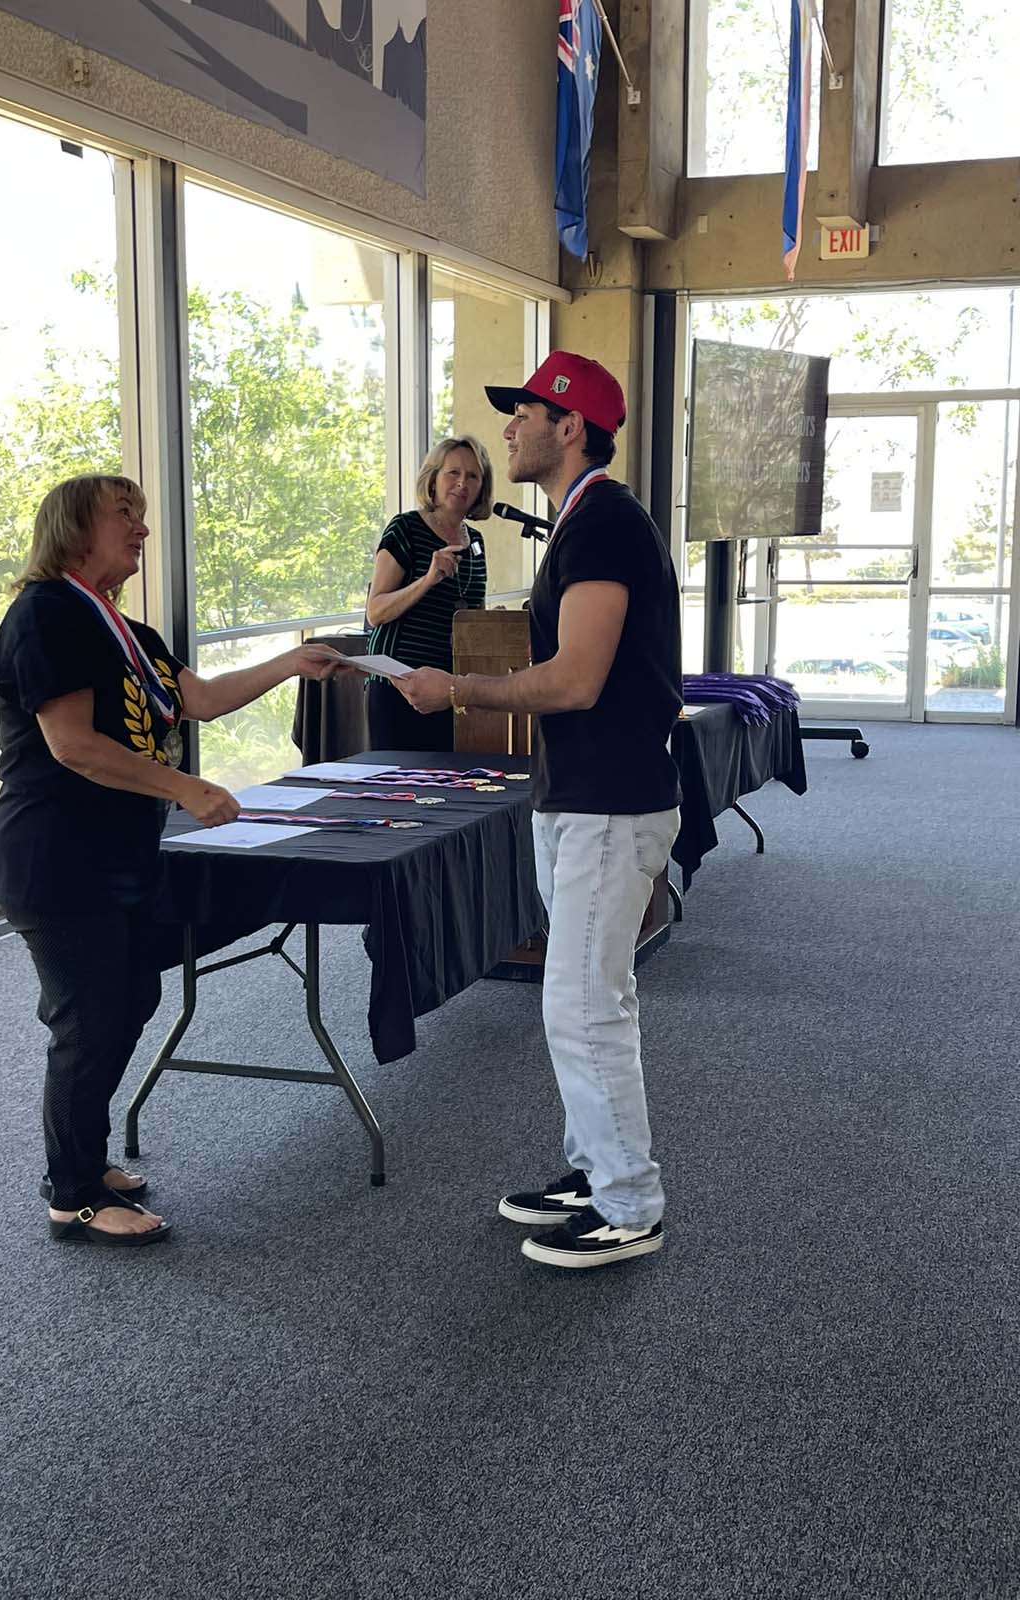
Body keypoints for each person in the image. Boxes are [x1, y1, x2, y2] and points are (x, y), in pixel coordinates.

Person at [0, 473, 345, 1247]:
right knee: (94, 1017)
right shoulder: (48, 614)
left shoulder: (128, 633)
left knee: (128, 999)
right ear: (74, 529)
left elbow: (201, 699)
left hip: (114, 852)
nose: (142, 530)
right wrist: (183, 786)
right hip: (53, 856)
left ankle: (80, 1158)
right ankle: (74, 1193)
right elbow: (72, 744)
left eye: (143, 517)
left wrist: (289, 663)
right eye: (125, 516)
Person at [394, 352, 682, 1270]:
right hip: (581, 796)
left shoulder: (603, 525)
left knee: (582, 1007)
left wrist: (460, 691)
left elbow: (577, 678)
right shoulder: (580, 521)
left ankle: (629, 1205)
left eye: (525, 413)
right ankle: (596, 1170)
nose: (508, 430)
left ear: (572, 429)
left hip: (611, 802)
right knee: (591, 1001)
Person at [364, 435, 491, 751]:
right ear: (433, 479)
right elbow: (375, 612)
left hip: (447, 690)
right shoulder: (405, 528)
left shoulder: (475, 542)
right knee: (401, 787)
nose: (462, 483)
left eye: (472, 476)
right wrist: (428, 579)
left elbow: (472, 613)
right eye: (453, 473)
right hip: (400, 688)